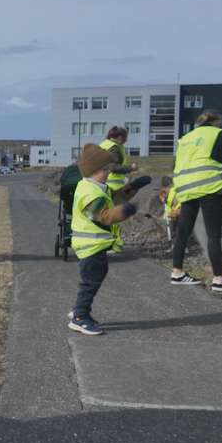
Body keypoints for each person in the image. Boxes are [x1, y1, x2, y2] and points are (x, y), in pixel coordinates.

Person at [68, 143, 143, 335]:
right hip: (89, 245)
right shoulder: (89, 193)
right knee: (91, 280)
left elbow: (115, 198)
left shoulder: (96, 186)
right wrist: (127, 210)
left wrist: (134, 186)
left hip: (95, 245)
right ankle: (79, 316)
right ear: (94, 170)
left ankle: (80, 309)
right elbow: (106, 215)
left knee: (93, 277)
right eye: (105, 169)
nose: (109, 172)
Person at [168, 110, 222, 292]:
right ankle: (219, 279)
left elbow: (177, 164)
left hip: (185, 187)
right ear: (217, 122)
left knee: (183, 232)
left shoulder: (185, 138)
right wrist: (219, 176)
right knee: (213, 234)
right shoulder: (220, 134)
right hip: (209, 187)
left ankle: (177, 272)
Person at [98, 125, 138, 194]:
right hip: (113, 186)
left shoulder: (104, 144)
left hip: (101, 182)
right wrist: (131, 168)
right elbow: (113, 167)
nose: (126, 140)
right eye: (126, 137)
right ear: (120, 137)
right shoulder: (113, 148)